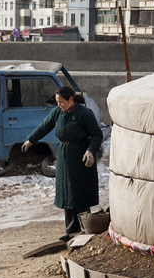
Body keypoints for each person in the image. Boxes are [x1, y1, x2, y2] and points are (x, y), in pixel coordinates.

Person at [22, 86, 103, 239]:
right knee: (67, 193)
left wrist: (91, 151)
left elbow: (96, 134)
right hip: (65, 156)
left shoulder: (84, 114)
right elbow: (44, 126)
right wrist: (31, 140)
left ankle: (85, 227)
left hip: (81, 156)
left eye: (62, 102)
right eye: (57, 102)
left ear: (71, 99)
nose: (59, 104)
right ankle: (71, 230)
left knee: (80, 193)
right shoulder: (58, 112)